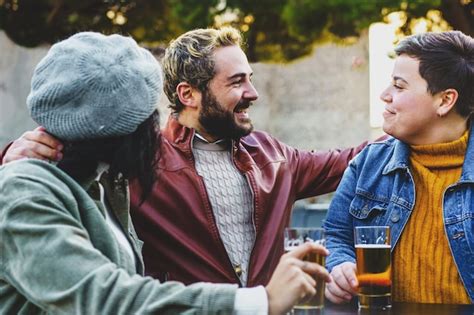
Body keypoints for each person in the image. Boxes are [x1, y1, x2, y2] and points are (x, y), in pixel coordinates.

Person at [1, 27, 367, 287]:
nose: (253, 92)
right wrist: (10, 157)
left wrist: (411, 127)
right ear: (188, 94)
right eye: (237, 81)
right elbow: (71, 158)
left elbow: (353, 160)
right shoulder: (135, 159)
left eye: (250, 78)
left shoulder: (274, 155)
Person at [324, 30, 473, 304]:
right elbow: (336, 236)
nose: (384, 95)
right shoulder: (368, 163)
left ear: (444, 100)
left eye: (399, 85)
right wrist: (339, 265)